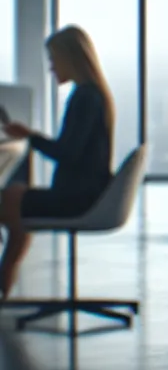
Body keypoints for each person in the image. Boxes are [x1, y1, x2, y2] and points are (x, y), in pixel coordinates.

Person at [1, 26, 115, 298]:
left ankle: (5, 275)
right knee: (14, 199)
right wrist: (30, 136)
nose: (51, 68)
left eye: (53, 60)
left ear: (70, 58)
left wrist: (30, 136)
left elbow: (67, 153)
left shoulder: (85, 98)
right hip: (84, 194)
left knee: (9, 200)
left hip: (75, 200)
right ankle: (5, 277)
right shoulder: (93, 95)